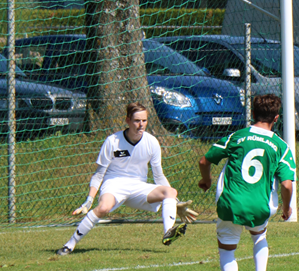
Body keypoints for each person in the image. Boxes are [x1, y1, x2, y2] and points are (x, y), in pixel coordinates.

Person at [56, 102, 198, 255]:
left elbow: (159, 176)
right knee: (103, 208)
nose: (141, 125)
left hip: (138, 187)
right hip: (114, 184)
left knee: (171, 191)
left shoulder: (152, 142)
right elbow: (98, 174)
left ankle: (168, 233)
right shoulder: (112, 141)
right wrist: (89, 200)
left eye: (144, 120)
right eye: (137, 121)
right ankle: (70, 244)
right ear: (128, 121)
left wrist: (175, 202)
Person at [198, 94, 295, 271]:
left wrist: (206, 179)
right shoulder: (281, 146)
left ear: (252, 114)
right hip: (260, 206)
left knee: (227, 250)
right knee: (259, 236)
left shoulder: (237, 137)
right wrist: (288, 207)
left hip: (230, 204)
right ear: (276, 118)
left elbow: (204, 160)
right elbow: (287, 185)